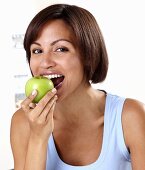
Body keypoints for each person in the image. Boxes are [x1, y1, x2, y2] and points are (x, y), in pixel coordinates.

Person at [10, 3, 145, 170]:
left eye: (60, 49)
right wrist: (38, 138)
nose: (45, 62)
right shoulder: (23, 122)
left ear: (88, 54)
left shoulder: (130, 117)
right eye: (37, 51)